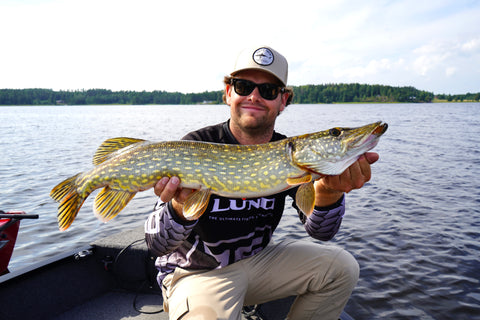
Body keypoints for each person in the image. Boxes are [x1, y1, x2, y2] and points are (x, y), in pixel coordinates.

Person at [145, 45, 379, 320]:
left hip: (258, 264)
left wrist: (328, 193)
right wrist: (179, 206)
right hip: (197, 273)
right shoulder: (196, 145)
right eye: (243, 86)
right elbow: (156, 245)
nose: (254, 97)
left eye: (268, 91)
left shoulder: (290, 157)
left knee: (342, 268)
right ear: (228, 92)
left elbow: (321, 233)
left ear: (284, 100)